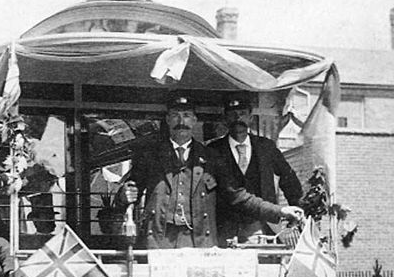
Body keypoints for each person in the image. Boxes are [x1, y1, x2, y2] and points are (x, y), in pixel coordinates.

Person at [117, 94, 303, 249]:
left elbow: (238, 196)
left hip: (199, 242)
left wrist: (281, 210)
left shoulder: (211, 157)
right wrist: (124, 195)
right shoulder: (150, 155)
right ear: (167, 119)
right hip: (159, 241)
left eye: (187, 115)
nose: (181, 122)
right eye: (175, 115)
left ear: (195, 120)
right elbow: (129, 189)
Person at [207, 95, 303, 246]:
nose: (238, 118)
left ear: (250, 118)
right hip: (226, 228)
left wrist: (297, 208)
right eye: (232, 115)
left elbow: (288, 178)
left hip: (261, 226)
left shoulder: (266, 147)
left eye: (242, 114)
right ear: (225, 119)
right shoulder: (213, 150)